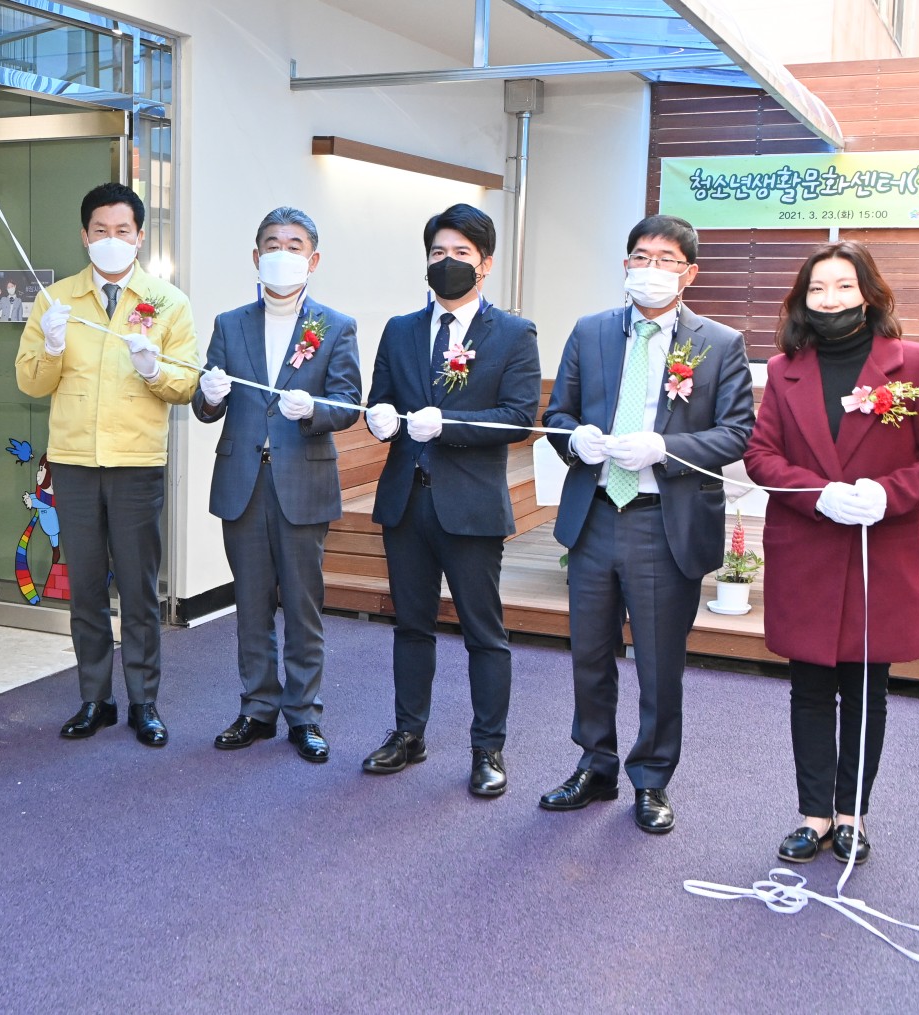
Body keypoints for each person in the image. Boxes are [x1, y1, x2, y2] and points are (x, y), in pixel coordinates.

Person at [541, 214, 754, 834]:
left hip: (664, 520)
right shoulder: (591, 331)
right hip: (595, 515)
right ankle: (595, 765)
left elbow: (736, 431)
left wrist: (666, 448)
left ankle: (653, 778)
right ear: (625, 263)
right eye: (640, 256)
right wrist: (573, 439)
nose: (650, 269)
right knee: (589, 654)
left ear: (690, 273)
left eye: (665, 260)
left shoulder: (720, 343)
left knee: (659, 663)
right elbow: (558, 414)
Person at [744, 240, 919, 866]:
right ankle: (813, 816)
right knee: (807, 688)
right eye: (817, 289)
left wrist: (888, 494)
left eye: (843, 286)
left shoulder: (914, 362)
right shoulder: (785, 369)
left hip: (875, 550)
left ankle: (852, 815)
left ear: (868, 293)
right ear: (802, 300)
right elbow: (760, 456)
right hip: (806, 547)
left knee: (866, 691)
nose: (829, 299)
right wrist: (820, 494)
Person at [359, 204, 539, 795]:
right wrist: (380, 419)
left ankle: (488, 748)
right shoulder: (400, 329)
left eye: (461, 253)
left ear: (485, 264)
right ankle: (408, 734)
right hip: (406, 500)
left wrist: (451, 424)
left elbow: (518, 417)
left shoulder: (512, 333)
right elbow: (381, 400)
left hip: (471, 504)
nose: (447, 262)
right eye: (438, 252)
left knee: (484, 632)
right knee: (410, 626)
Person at [15, 182, 199, 746]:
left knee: (139, 590)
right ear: (84, 236)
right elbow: (30, 381)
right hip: (73, 463)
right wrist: (51, 347)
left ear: (140, 237)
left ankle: (144, 701)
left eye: (123, 230)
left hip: (136, 464)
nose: (111, 239)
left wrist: (153, 371)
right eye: (101, 230)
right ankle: (95, 698)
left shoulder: (168, 302)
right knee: (87, 588)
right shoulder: (56, 301)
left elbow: (187, 383)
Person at [191, 207, 360, 762]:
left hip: (303, 481)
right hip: (242, 480)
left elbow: (347, 403)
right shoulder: (230, 323)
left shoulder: (334, 325)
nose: (281, 254)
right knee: (250, 603)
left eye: (293, 245)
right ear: (255, 255)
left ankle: (304, 714)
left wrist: (314, 409)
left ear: (313, 259)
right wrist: (208, 395)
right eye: (272, 244)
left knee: (303, 606)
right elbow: (206, 405)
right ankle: (257, 708)